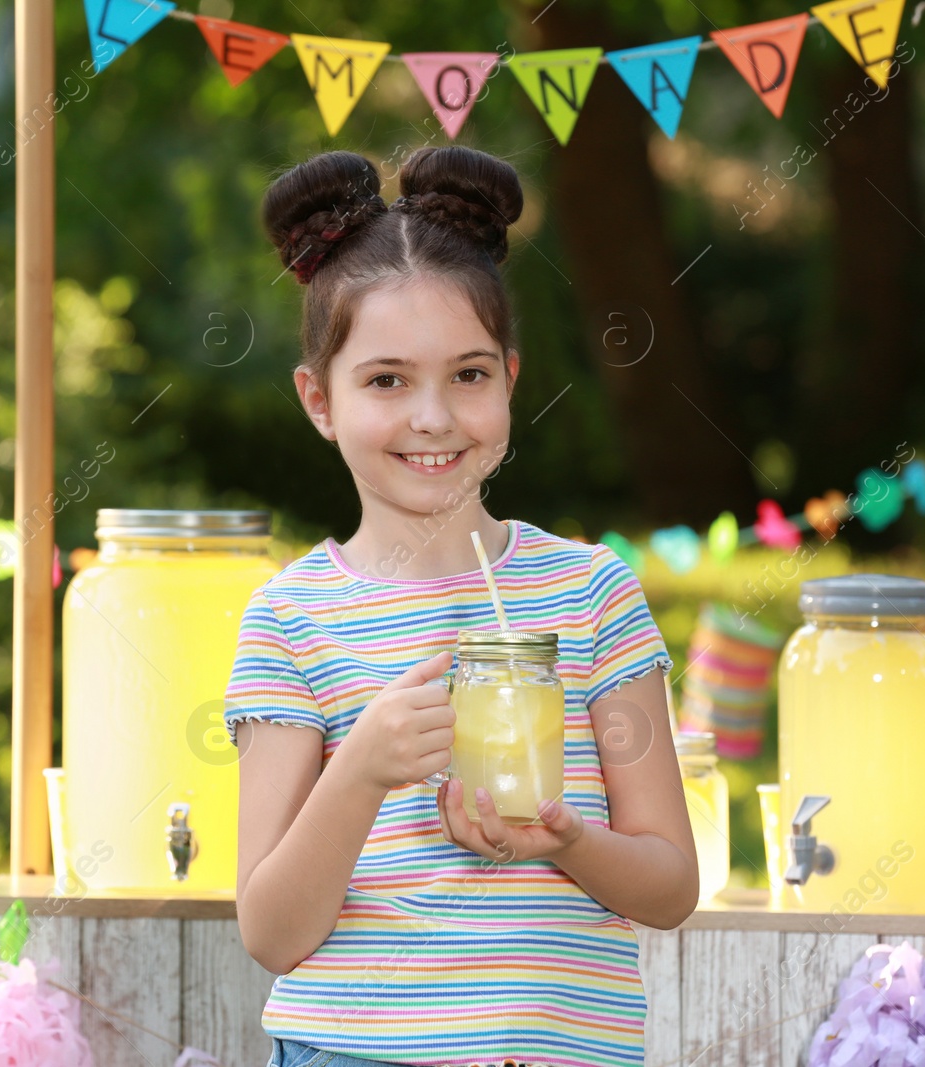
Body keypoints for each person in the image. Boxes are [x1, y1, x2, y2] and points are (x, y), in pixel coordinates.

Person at [225, 145, 698, 1067]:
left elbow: (670, 885)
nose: (434, 417)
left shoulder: (590, 593)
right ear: (319, 399)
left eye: (469, 375)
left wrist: (564, 836)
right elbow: (272, 931)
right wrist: (359, 767)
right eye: (387, 380)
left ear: (511, 379)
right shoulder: (291, 617)